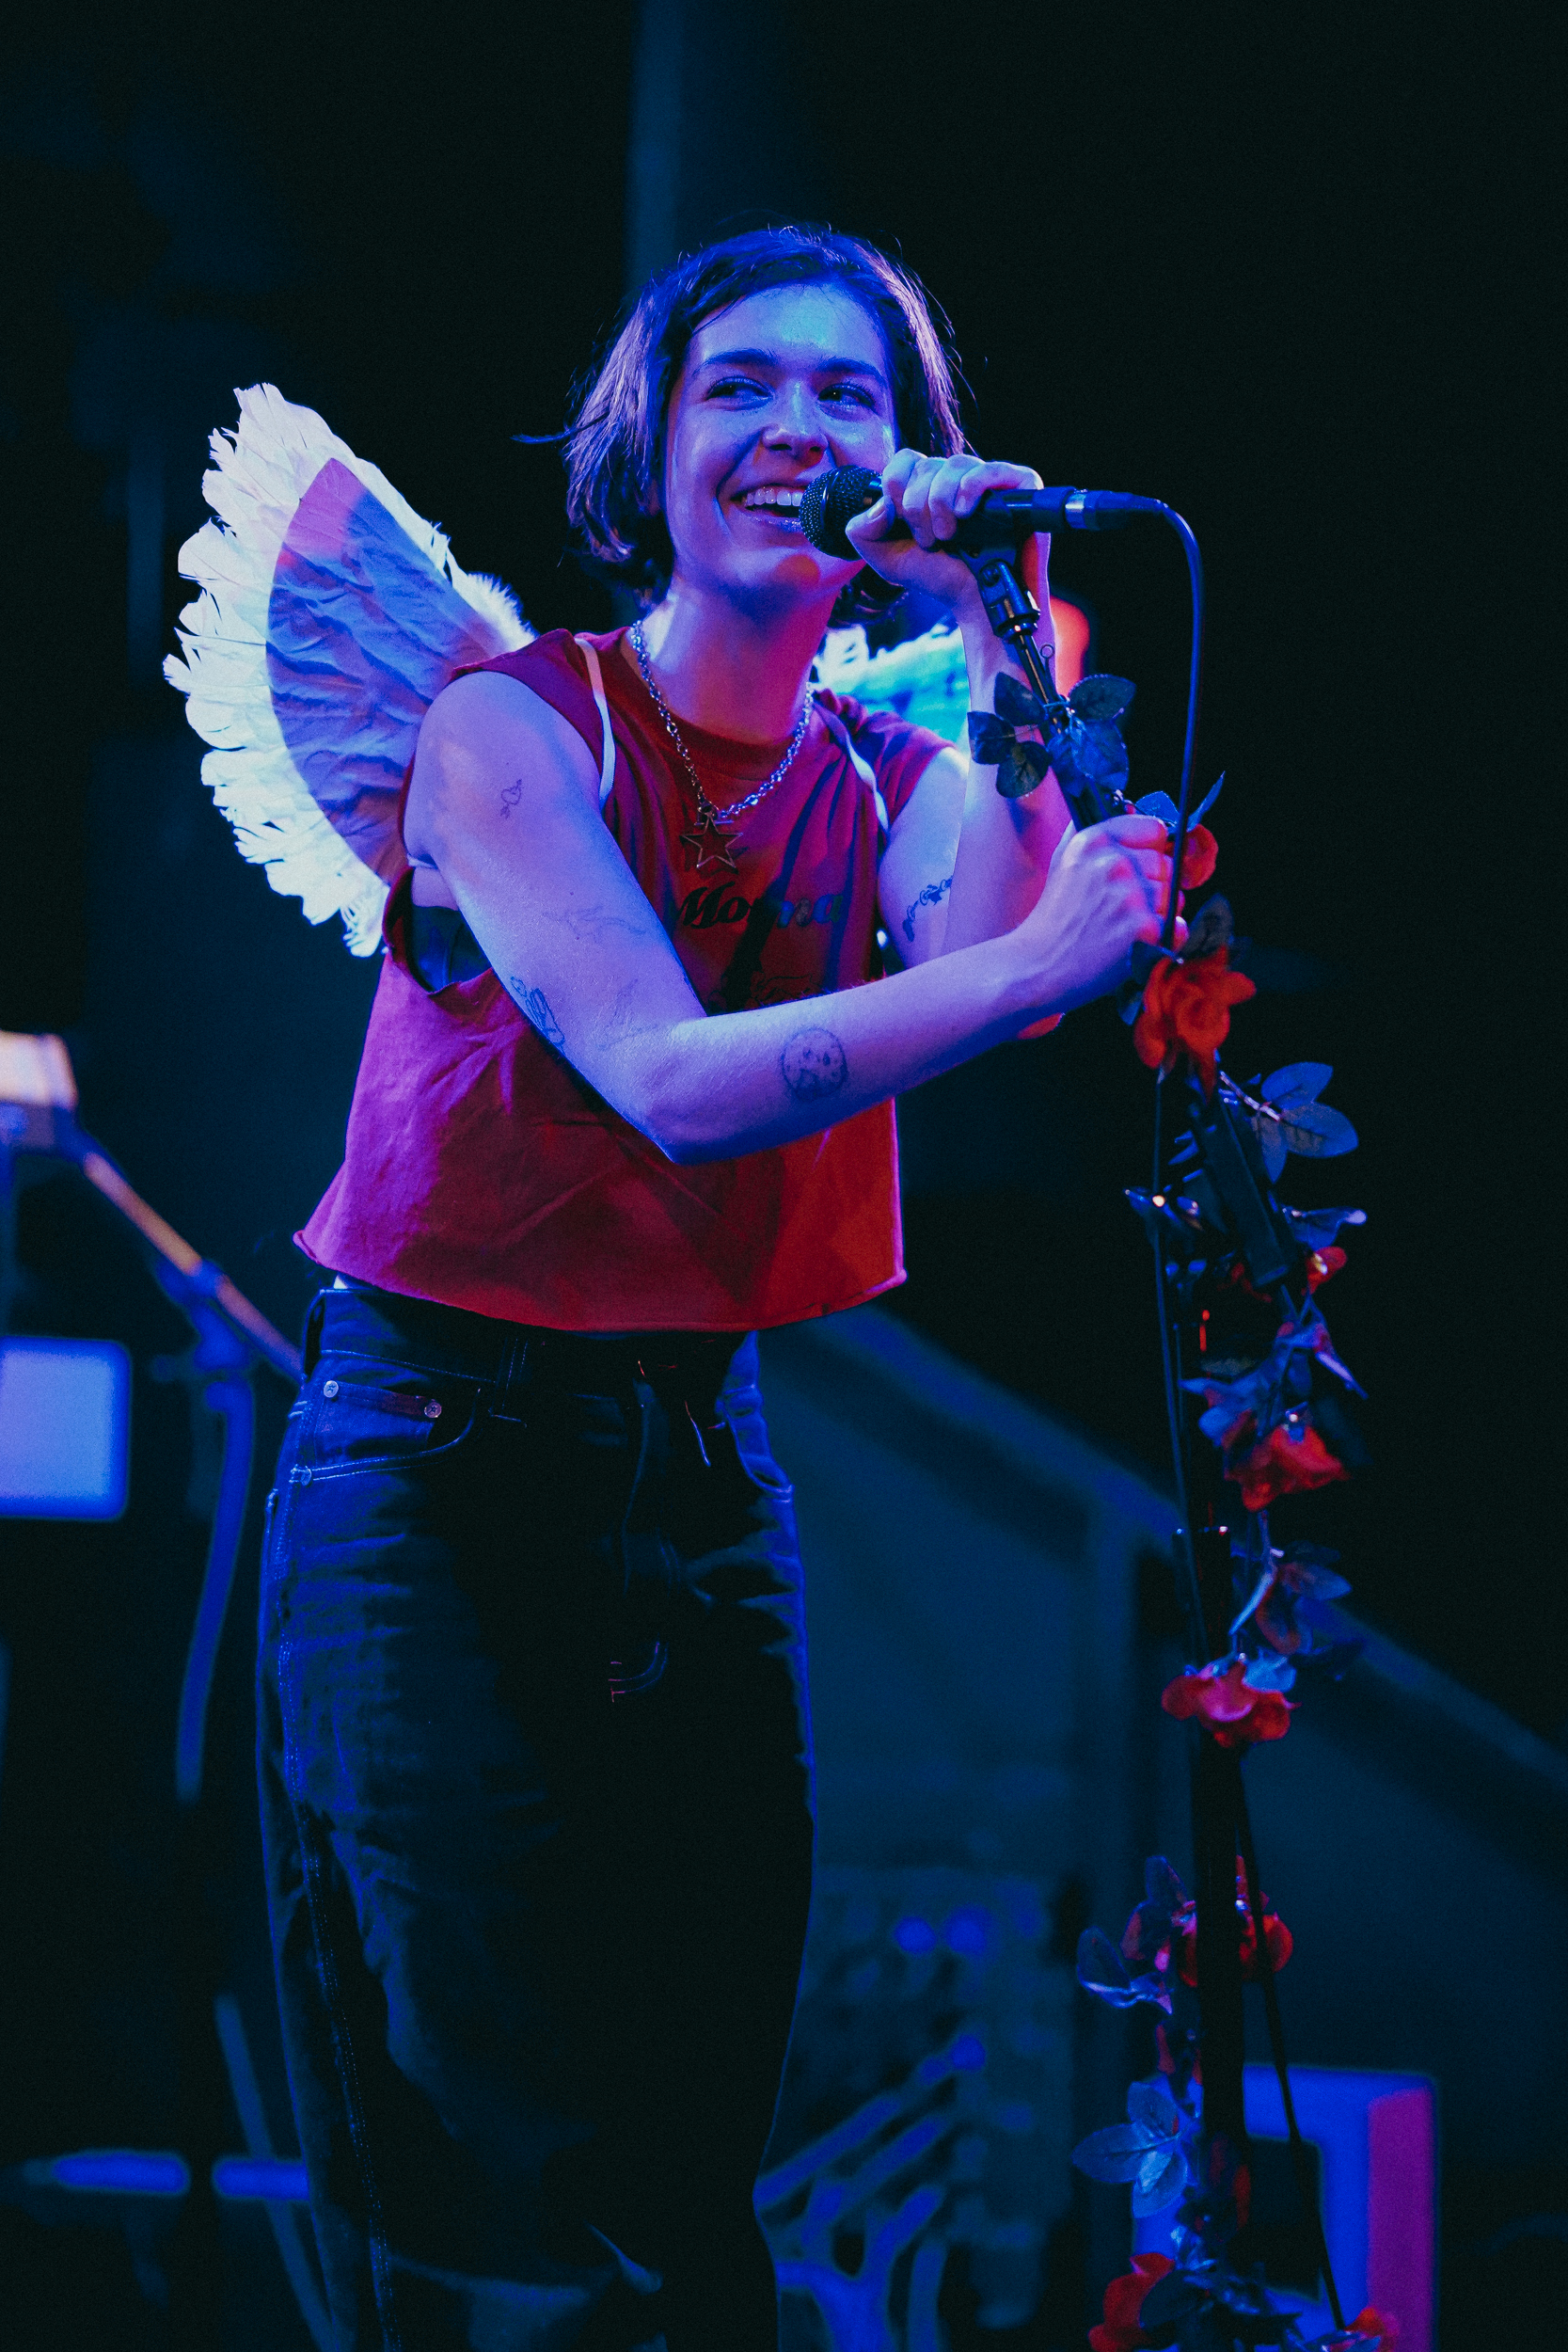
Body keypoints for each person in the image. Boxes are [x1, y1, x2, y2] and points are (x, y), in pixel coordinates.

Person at [258, 224, 1180, 2352]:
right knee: (488, 2143)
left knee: (684, 2149)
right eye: (740, 386)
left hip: (690, 1452)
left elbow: (986, 930)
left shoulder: (880, 769)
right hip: (438, 1457)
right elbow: (676, 1079)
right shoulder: (514, 729)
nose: (795, 429)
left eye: (850, 396)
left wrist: (998, 615)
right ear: (651, 443)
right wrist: (1034, 969)